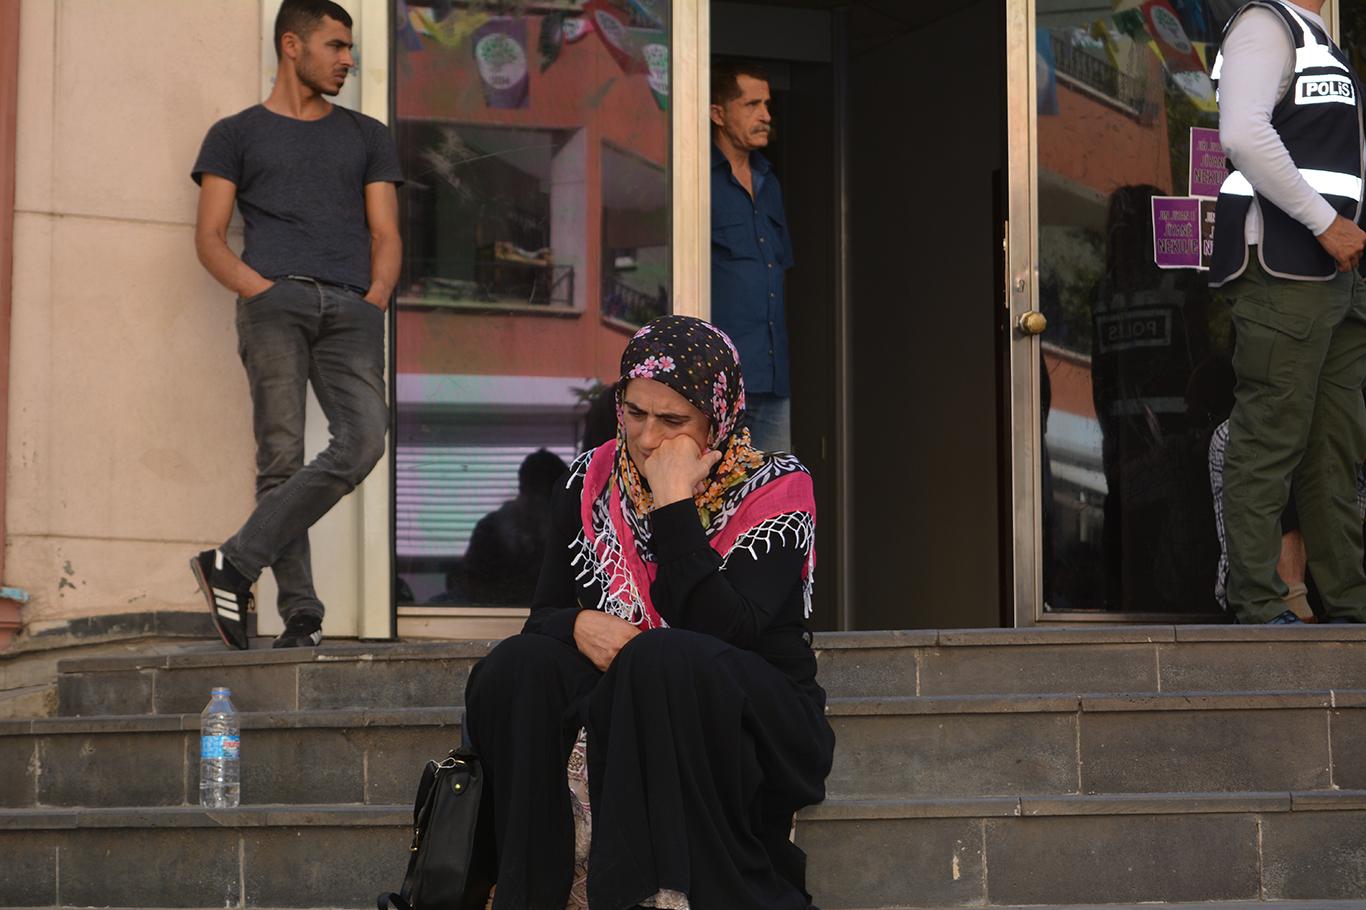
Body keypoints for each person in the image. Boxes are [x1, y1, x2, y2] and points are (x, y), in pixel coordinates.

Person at [464, 315, 834, 910]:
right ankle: (531, 891)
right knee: (518, 664)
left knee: (659, 654)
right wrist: (575, 623)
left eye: (673, 420)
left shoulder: (777, 489)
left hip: (753, 714)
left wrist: (672, 502)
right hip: (626, 696)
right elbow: (544, 614)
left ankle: (655, 896)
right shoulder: (590, 480)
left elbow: (728, 631)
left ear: (718, 416)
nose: (646, 438)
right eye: (635, 413)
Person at [187, 0, 403, 649]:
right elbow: (210, 237)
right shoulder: (235, 134)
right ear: (291, 45)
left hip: (352, 307)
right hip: (274, 302)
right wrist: (260, 290)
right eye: (335, 45)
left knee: (363, 440)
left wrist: (375, 298)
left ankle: (234, 562)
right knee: (279, 457)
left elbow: (386, 232)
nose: (347, 60)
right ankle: (302, 615)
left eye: (349, 48)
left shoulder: (367, 135)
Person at [1208, 0, 1366, 623]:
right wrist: (1326, 223)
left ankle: (1350, 603)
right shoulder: (1265, 24)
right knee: (1269, 436)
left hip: (1334, 275)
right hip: (1284, 268)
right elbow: (1243, 135)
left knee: (1334, 446)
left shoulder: (1320, 40)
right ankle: (1257, 603)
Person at [710, 60, 794, 453]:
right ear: (718, 114)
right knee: (715, 488)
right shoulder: (698, 179)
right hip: (717, 379)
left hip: (772, 376)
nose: (766, 116)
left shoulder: (769, 181)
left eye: (767, 105)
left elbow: (779, 271)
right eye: (752, 105)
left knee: (776, 487)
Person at [463, 448, 569, 604]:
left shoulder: (566, 531)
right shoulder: (490, 529)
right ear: (525, 490)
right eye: (539, 496)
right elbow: (472, 585)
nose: (542, 506)